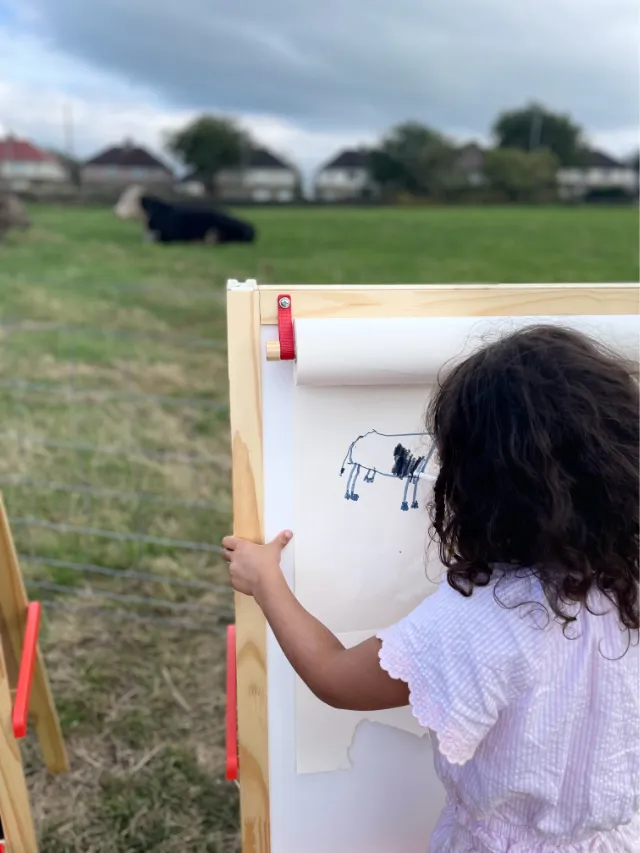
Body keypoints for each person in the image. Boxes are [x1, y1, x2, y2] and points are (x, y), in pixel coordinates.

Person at [222, 325, 640, 853]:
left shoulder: (485, 618)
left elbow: (336, 678)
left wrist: (267, 581)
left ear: (474, 488)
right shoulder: (630, 584)